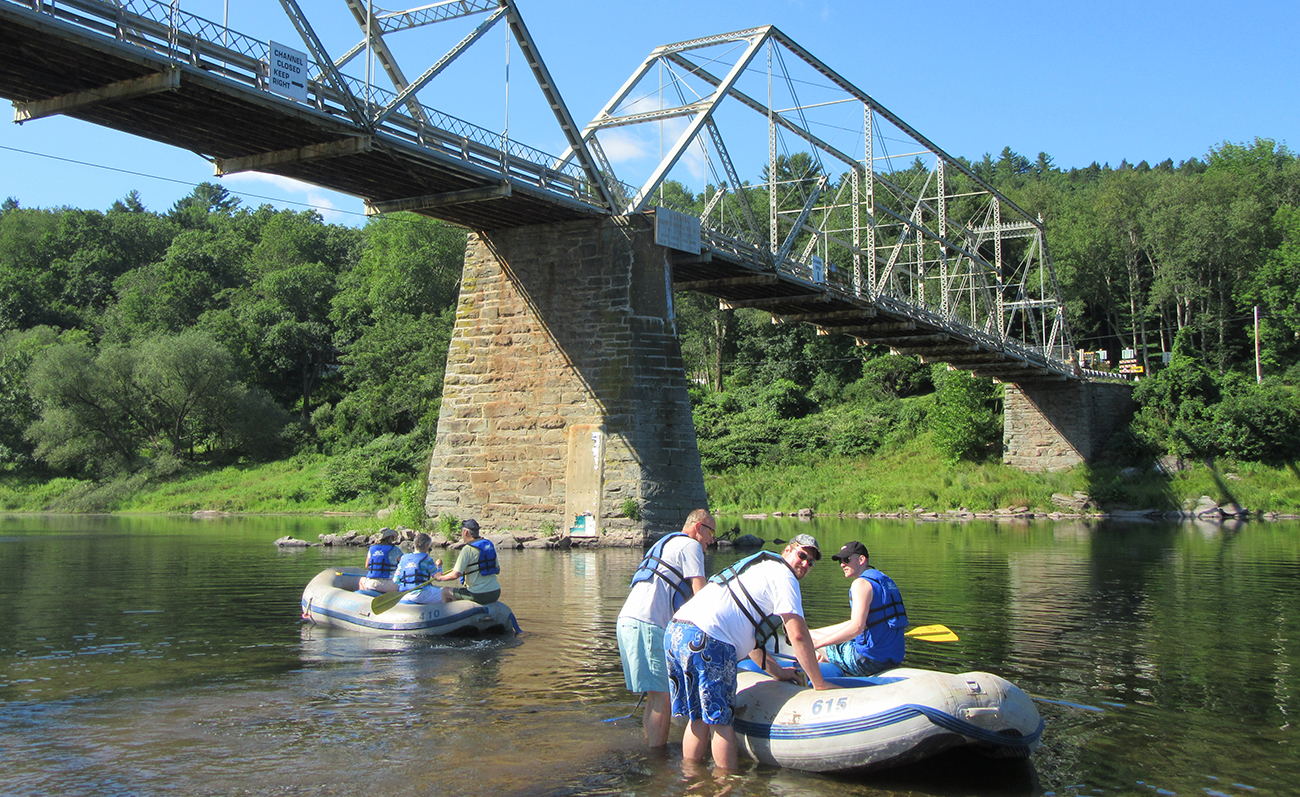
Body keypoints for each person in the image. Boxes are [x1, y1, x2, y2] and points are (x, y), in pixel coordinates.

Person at [666, 533, 835, 771]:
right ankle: (727, 785)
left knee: (698, 719)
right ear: (788, 550)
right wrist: (819, 683)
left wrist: (777, 672)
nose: (805, 564)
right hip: (709, 640)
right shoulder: (785, 576)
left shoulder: (759, 568)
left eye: (811, 562)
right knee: (721, 722)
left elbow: (752, 643)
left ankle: (691, 780)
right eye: (802, 555)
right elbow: (797, 635)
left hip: (677, 631)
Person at [616, 509, 717, 748]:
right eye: (711, 532)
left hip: (628, 622)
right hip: (647, 625)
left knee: (655, 697)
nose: (713, 540)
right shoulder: (690, 547)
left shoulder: (666, 543)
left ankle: (650, 749)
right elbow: (700, 595)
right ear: (698, 527)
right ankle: (657, 762)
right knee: (664, 699)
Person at [809, 541, 908, 677]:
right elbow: (861, 624)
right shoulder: (885, 581)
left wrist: (818, 644)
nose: (842, 564)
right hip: (894, 659)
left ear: (861, 559)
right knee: (813, 632)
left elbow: (856, 628)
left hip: (867, 662)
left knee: (807, 636)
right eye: (840, 561)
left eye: (846, 559)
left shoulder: (860, 584)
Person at [433, 519, 500, 604]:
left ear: (466, 532)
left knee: (445, 591)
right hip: (495, 592)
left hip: (478, 594)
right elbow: (498, 569)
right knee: (458, 592)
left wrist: (440, 577)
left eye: (462, 531)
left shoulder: (467, 549)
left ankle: (450, 615)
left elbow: (455, 574)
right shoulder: (489, 546)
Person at [395, 532, 444, 605]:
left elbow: (396, 580)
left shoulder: (403, 559)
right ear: (426, 546)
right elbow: (438, 578)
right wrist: (439, 566)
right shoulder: (427, 559)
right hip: (421, 595)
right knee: (446, 592)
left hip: (404, 594)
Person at [358, 527, 401, 593]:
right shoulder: (395, 549)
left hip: (372, 584)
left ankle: (363, 597)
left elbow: (367, 566)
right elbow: (403, 564)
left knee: (361, 580)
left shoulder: (371, 548)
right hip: (389, 585)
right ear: (391, 538)